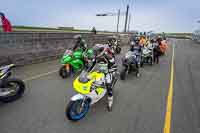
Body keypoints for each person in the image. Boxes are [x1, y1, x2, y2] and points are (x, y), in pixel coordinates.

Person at [92, 41, 117, 110]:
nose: (94, 53)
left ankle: (110, 101)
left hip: (107, 72)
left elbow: (114, 66)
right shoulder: (96, 57)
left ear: (100, 51)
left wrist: (109, 71)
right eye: (94, 52)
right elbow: (92, 65)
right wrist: (87, 71)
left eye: (96, 52)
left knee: (108, 86)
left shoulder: (109, 57)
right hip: (98, 71)